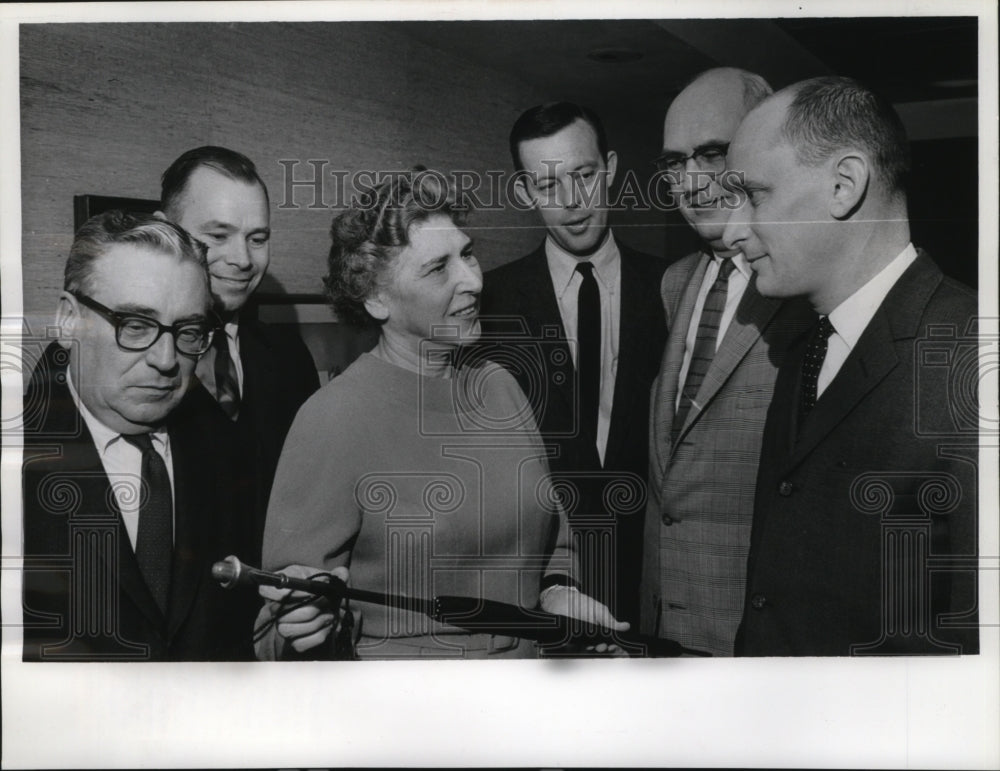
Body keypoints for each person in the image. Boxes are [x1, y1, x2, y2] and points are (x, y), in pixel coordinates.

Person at [256, 169, 626, 659]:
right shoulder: (332, 417)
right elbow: (274, 631)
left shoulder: (500, 386)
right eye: (438, 268)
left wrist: (560, 591)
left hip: (528, 696)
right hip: (407, 714)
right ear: (376, 298)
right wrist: (300, 621)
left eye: (467, 254)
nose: (472, 280)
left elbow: (553, 537)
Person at [722, 76, 979, 656]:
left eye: (755, 195)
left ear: (844, 185)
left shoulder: (973, 359)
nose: (733, 229)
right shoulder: (805, 349)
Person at [22, 210, 255, 661]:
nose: (167, 360)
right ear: (69, 321)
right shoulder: (17, 461)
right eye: (135, 326)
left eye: (188, 330)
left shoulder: (228, 448)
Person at [638, 68, 812, 657]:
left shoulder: (806, 288)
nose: (690, 182)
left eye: (712, 154)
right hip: (666, 632)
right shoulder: (674, 283)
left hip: (759, 639)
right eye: (673, 163)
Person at [479, 103, 667, 627]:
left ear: (608, 169)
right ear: (523, 194)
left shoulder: (673, 288)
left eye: (584, 176)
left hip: (656, 578)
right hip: (540, 583)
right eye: (546, 186)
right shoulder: (487, 304)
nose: (572, 203)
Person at [158, 146, 320, 565]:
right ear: (164, 232)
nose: (243, 259)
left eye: (257, 238)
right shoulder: (125, 356)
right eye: (217, 236)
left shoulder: (288, 358)